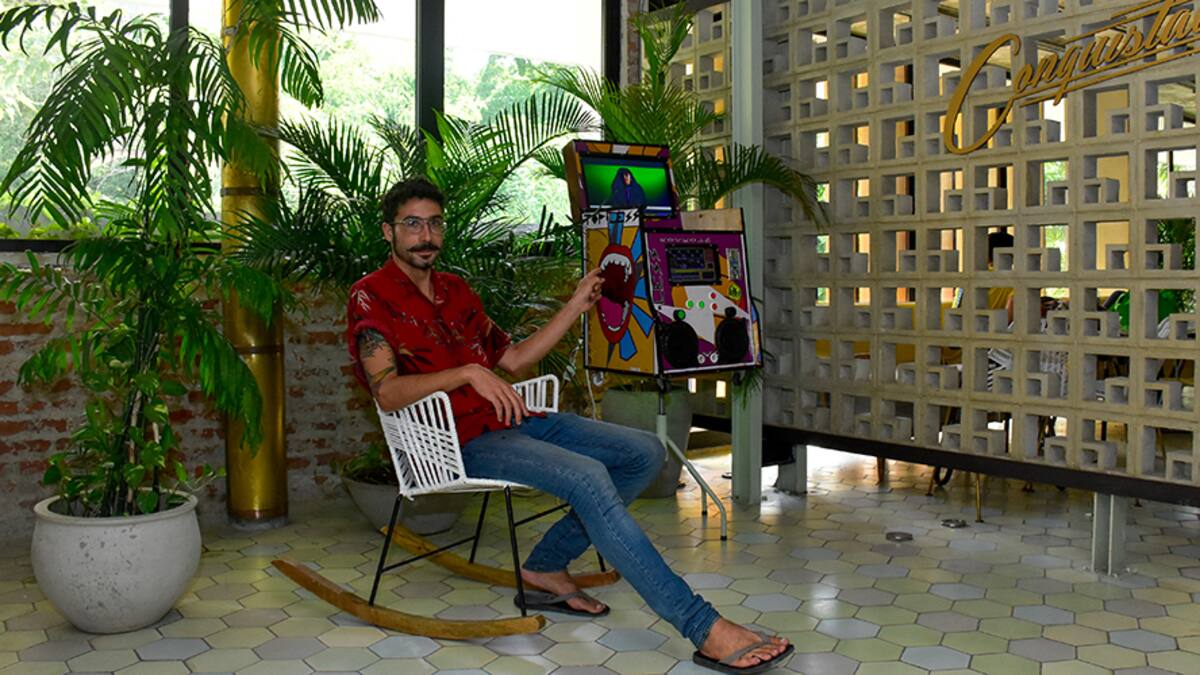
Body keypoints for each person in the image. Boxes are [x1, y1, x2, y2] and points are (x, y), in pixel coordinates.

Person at [346, 178, 793, 674]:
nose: (425, 235)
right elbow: (387, 392)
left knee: (645, 452)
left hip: (514, 419)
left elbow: (514, 360)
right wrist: (467, 373)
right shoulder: (369, 296)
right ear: (389, 231)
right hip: (453, 442)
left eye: (433, 223)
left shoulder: (456, 291)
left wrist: (575, 305)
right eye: (412, 224)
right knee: (587, 477)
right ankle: (702, 626)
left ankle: (544, 566)